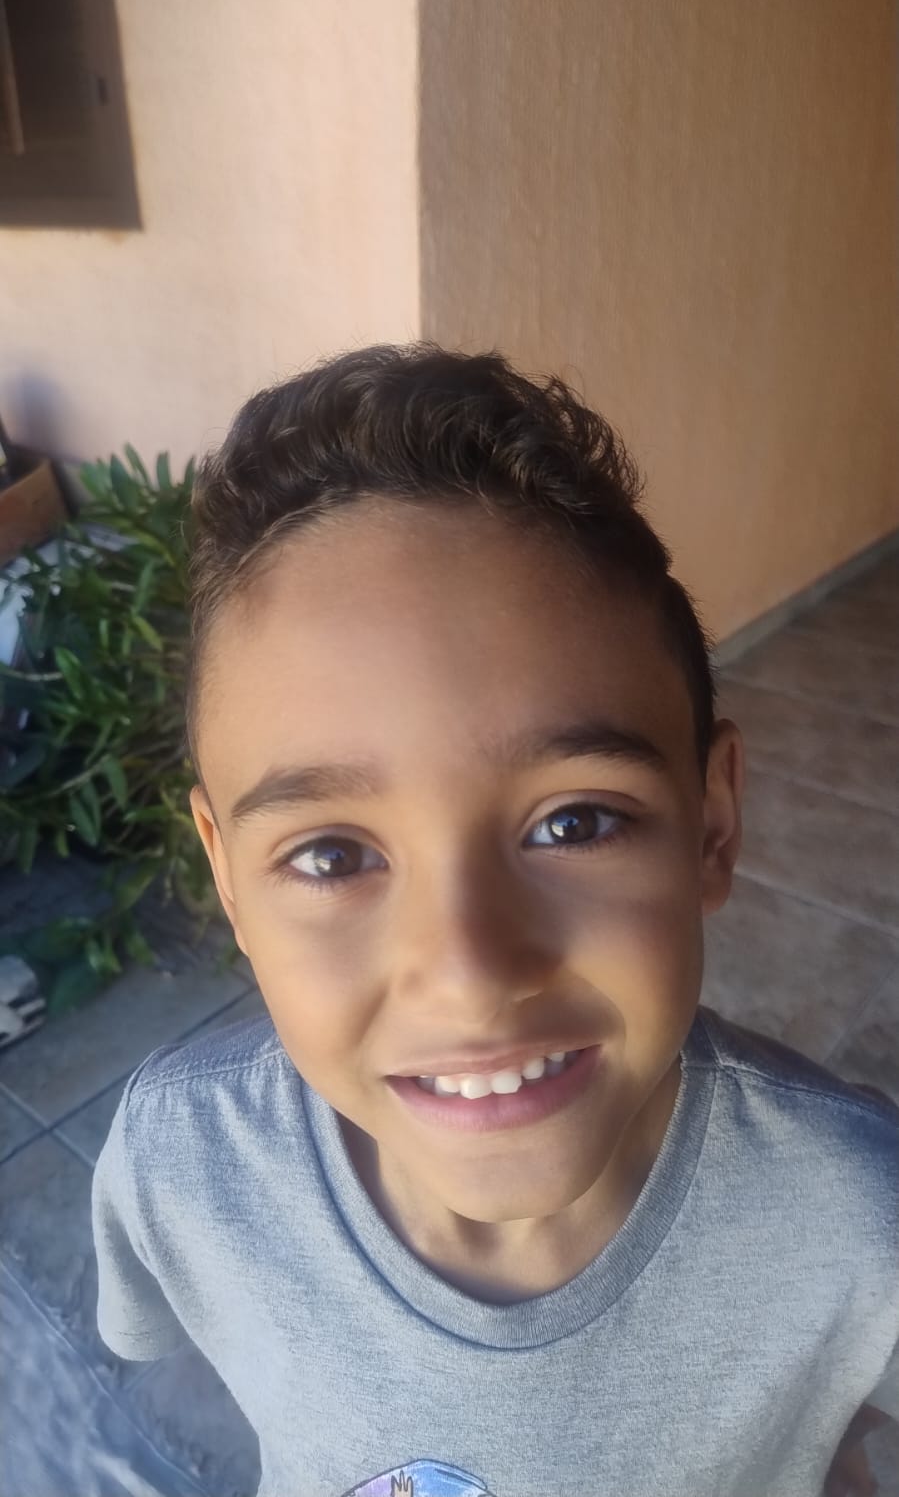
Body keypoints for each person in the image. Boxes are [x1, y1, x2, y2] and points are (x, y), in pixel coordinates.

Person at [91, 345, 897, 1497]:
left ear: (710, 825)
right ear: (228, 879)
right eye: (330, 855)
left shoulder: (856, 1220)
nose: (467, 974)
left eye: (573, 823)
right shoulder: (181, 1164)